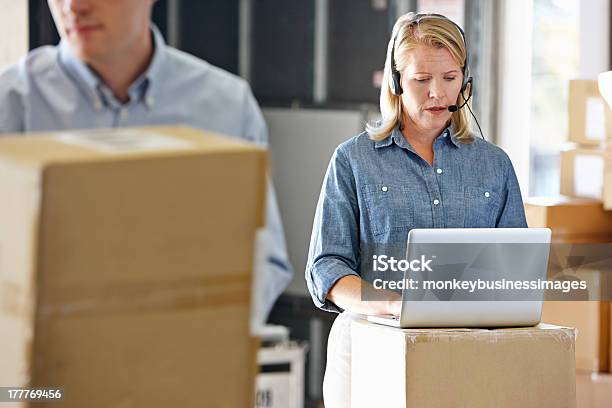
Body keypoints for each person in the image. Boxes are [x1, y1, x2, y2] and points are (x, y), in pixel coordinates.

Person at [0, 0, 293, 329]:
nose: (73, 6)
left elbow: (263, 259)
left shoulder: (226, 106)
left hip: (178, 363)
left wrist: (198, 335)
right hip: (37, 371)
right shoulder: (9, 104)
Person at [305, 12, 527, 407]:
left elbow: (516, 273)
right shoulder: (353, 159)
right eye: (421, 80)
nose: (437, 94)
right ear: (395, 82)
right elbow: (327, 267)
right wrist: (394, 302)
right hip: (374, 343)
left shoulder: (495, 165)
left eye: (450, 78)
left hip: (470, 352)